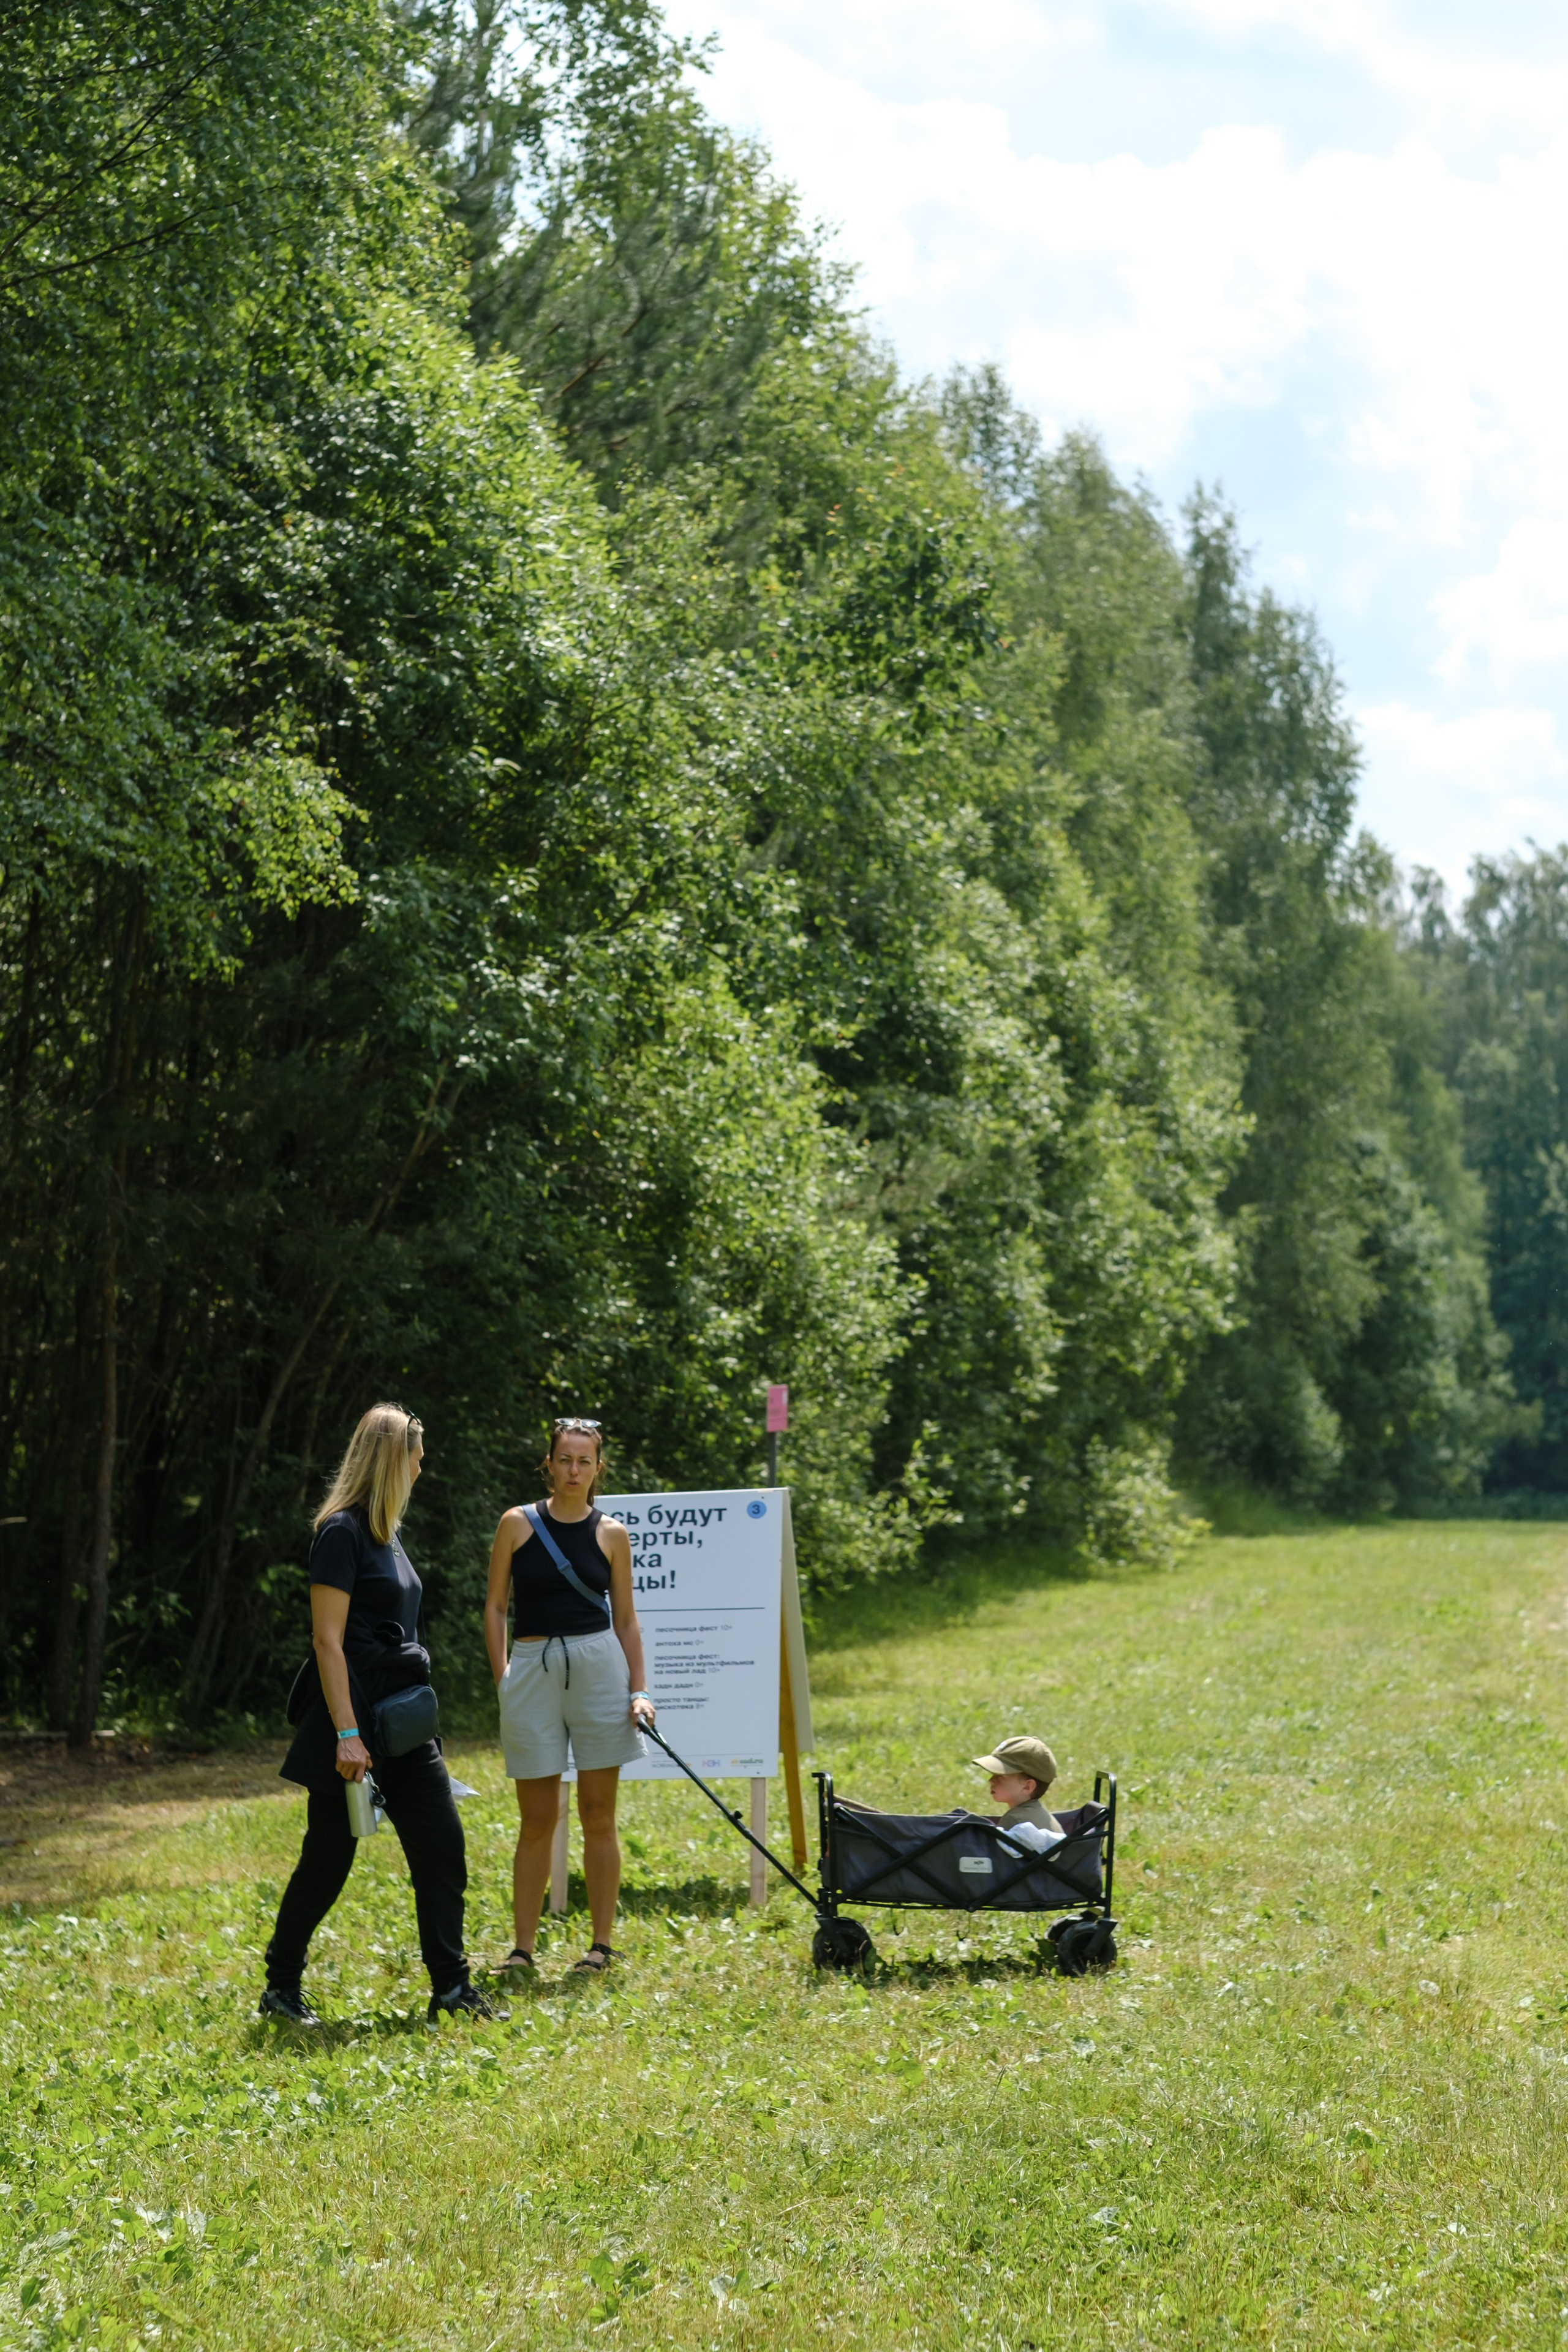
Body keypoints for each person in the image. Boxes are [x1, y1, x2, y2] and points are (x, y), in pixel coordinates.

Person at [262, 1402, 499, 2026]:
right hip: (356, 1723)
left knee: (443, 1848)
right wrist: (346, 1734)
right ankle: (280, 1987)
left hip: (405, 1723)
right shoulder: (339, 1532)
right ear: (392, 1459)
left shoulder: (386, 1532)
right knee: (328, 1861)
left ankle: (452, 1988)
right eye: (417, 1456)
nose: (423, 1467)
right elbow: (326, 1642)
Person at [483, 1417, 655, 1977]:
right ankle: (523, 1950)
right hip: (532, 1669)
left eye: (585, 1461)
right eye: (565, 1459)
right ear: (549, 1464)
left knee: (598, 1814)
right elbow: (495, 1607)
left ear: (598, 1468)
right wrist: (503, 1676)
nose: (574, 1471)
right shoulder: (516, 1524)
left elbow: (626, 1620)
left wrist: (639, 1690)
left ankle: (600, 1947)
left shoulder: (612, 1534)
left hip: (598, 1666)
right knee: (536, 1820)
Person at [972, 1734, 1064, 1851]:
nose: (991, 1780)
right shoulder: (1043, 1815)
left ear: (1028, 1787)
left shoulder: (1015, 1822)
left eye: (1000, 1776)